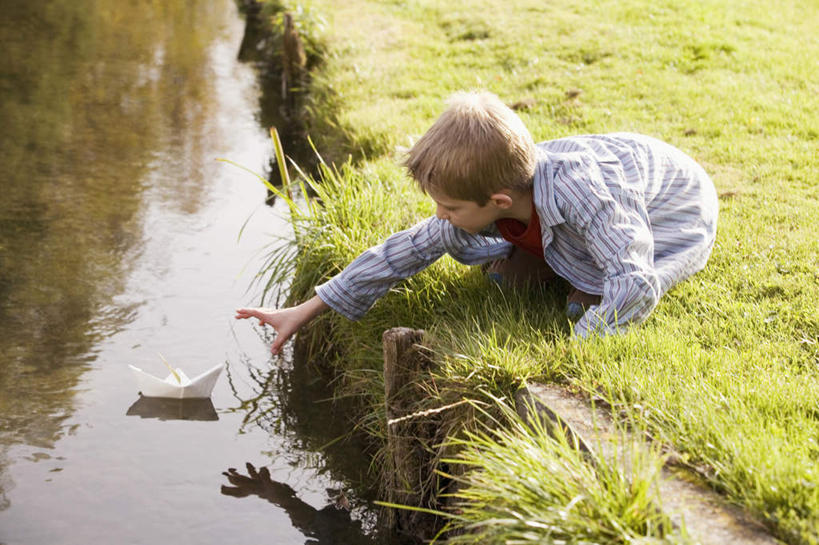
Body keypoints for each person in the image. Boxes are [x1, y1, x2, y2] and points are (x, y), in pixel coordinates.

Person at [236, 91, 718, 354]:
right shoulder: (492, 197)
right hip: (593, 203)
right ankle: (564, 275)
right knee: (506, 280)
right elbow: (405, 249)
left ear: (497, 199)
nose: (440, 217)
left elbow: (635, 278)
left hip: (674, 213)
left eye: (449, 208)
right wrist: (306, 308)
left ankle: (582, 286)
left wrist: (579, 345)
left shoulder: (585, 195)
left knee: (602, 287)